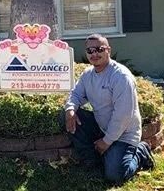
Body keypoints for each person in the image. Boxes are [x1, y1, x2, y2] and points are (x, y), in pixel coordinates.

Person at [65, 34, 155, 183]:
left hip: (124, 133)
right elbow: (76, 94)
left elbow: (123, 115)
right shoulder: (88, 74)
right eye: (90, 50)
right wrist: (70, 109)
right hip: (101, 125)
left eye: (99, 49)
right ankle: (92, 160)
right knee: (68, 115)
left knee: (115, 176)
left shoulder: (120, 76)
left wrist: (106, 141)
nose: (94, 54)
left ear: (108, 50)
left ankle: (140, 152)